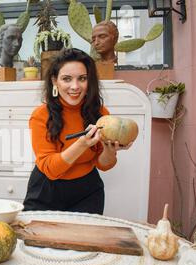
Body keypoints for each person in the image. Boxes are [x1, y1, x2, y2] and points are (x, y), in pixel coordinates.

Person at [23, 48, 132, 214]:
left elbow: (103, 164)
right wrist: (82, 144)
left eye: (82, 79)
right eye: (67, 79)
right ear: (54, 81)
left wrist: (110, 151)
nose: (75, 86)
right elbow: (50, 170)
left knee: (86, 239)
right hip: (46, 191)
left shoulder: (101, 114)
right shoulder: (40, 116)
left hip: (87, 192)